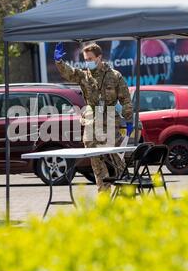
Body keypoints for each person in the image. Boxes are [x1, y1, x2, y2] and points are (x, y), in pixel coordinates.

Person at [54, 42, 134, 192]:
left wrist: (129, 118)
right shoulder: (84, 76)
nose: (88, 62)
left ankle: (126, 192)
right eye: (86, 59)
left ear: (99, 57)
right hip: (91, 122)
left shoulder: (114, 76)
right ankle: (103, 194)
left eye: (91, 58)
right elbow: (69, 72)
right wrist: (59, 62)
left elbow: (125, 99)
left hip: (110, 120)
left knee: (116, 159)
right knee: (97, 163)